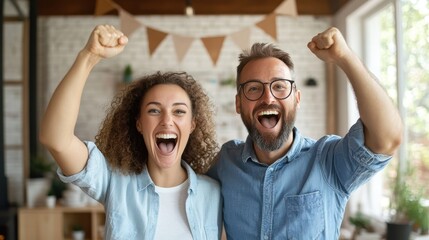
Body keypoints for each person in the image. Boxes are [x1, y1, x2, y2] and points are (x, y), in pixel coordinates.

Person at [207, 27, 402, 239]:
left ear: (297, 99)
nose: (268, 98)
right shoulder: (226, 163)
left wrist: (344, 57)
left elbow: (387, 137)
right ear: (238, 103)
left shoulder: (327, 160)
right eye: (254, 88)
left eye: (279, 86)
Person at [39, 25, 222, 240]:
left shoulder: (214, 193)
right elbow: (56, 139)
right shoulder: (116, 183)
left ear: (192, 125)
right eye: (154, 110)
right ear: (139, 124)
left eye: (179, 111)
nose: (167, 121)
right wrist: (88, 57)